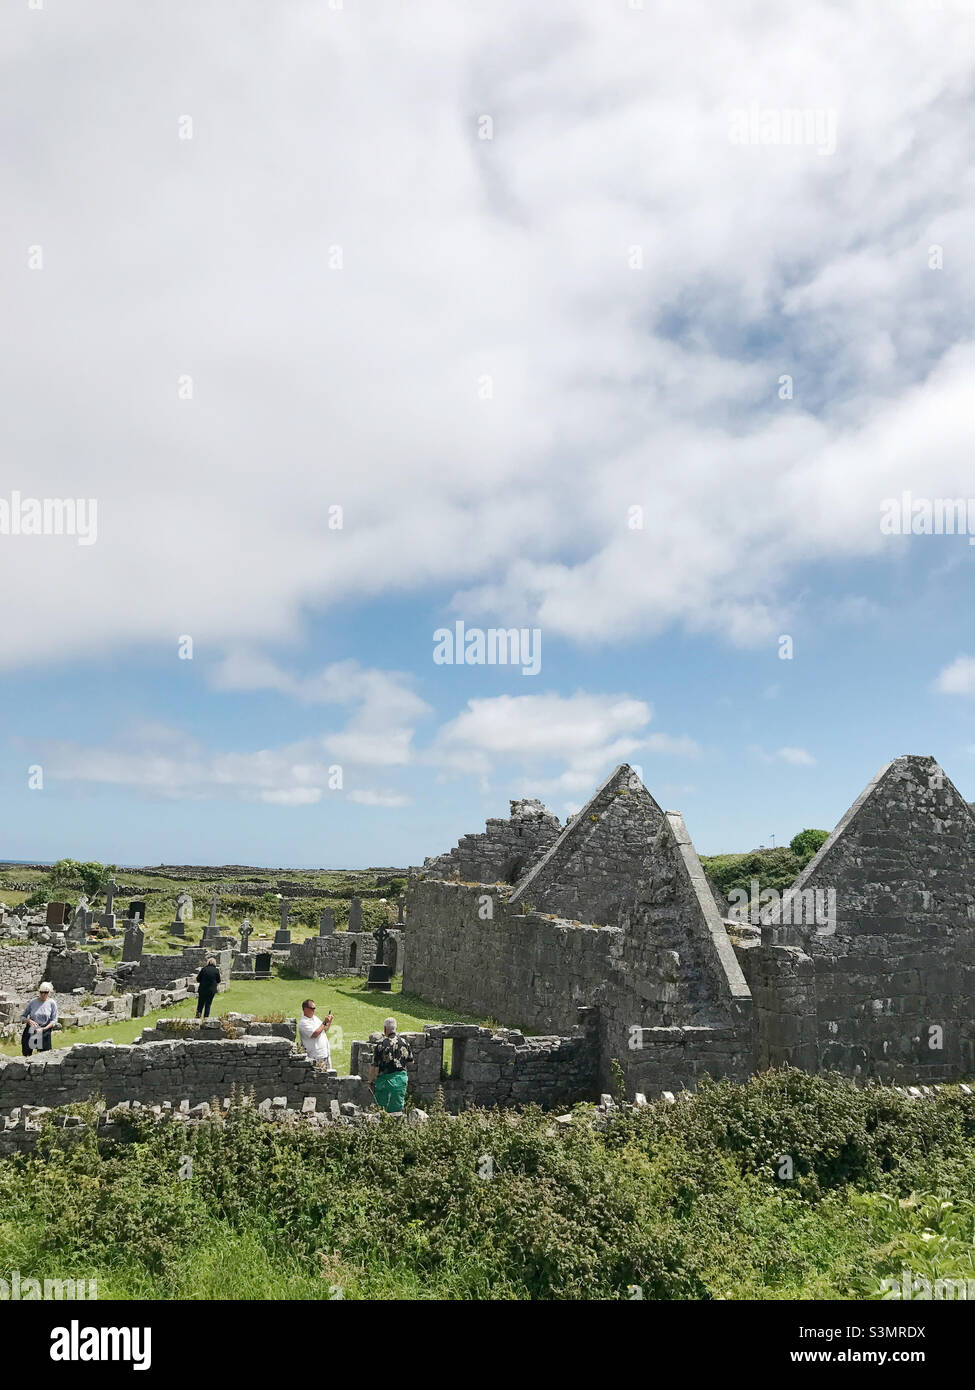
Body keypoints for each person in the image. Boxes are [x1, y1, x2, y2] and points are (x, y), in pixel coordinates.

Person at [369, 1017, 414, 1113]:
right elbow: (411, 1061)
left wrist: (370, 1081)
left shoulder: (381, 1045)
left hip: (384, 1082)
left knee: (381, 1110)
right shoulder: (405, 1043)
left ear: (385, 1029)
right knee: (397, 1110)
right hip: (400, 1081)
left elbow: (374, 1066)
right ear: (395, 1028)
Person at [21, 983, 58, 1057]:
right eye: (41, 992)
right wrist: (29, 1021)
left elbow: (54, 1020)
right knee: (27, 1054)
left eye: (46, 992)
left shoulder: (52, 1003)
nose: (43, 994)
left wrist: (44, 1029)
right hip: (31, 1030)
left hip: (44, 1031)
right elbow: (22, 1016)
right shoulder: (33, 1002)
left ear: (49, 992)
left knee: (44, 1055)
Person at [298, 999, 333, 1065]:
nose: (314, 1010)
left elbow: (323, 1030)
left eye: (314, 1008)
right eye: (312, 1008)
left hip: (325, 1054)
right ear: (305, 1009)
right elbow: (315, 1034)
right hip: (316, 1056)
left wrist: (329, 1021)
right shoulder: (303, 1023)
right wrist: (324, 1022)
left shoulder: (315, 1018)